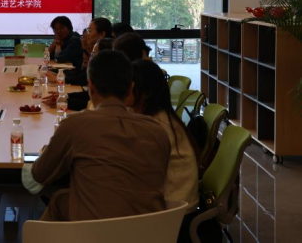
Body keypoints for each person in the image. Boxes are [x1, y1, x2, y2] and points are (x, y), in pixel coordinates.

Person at [31, 50, 171, 221]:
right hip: (152, 229)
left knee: (61, 198)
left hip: (92, 230)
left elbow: (39, 174)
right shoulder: (157, 131)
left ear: (91, 87)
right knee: (62, 199)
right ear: (131, 89)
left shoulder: (75, 126)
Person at [128, 60, 199, 213]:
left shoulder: (157, 125)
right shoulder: (154, 116)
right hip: (171, 201)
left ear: (146, 92)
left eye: (131, 85)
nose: (126, 89)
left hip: (174, 209)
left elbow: (137, 171)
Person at [47, 18, 112, 86]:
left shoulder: (105, 52)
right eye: (55, 29)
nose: (58, 31)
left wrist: (59, 79)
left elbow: (61, 59)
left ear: (102, 34)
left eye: (89, 31)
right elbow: (83, 74)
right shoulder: (63, 40)